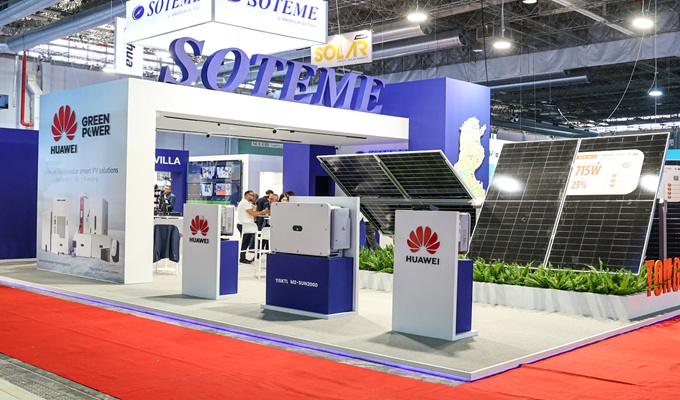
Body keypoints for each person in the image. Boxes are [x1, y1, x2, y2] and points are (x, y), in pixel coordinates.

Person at [236, 190, 268, 264]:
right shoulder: (245, 203)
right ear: (247, 195)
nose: (253, 197)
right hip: (245, 225)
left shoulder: (247, 203)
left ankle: (243, 257)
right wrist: (262, 212)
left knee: (246, 242)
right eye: (252, 195)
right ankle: (242, 257)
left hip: (246, 225)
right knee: (245, 242)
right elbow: (253, 213)